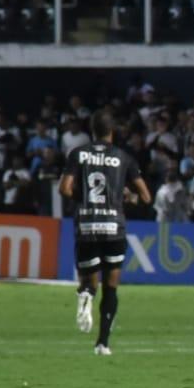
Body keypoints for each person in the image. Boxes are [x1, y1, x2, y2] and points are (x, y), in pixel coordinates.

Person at [59, 111, 152, 356]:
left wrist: (85, 198)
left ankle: (86, 294)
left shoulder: (78, 154)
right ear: (113, 131)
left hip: (87, 226)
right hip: (114, 227)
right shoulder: (124, 157)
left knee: (88, 280)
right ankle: (103, 344)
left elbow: (64, 188)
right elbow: (145, 197)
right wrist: (128, 197)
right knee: (111, 286)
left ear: (91, 131)